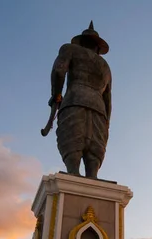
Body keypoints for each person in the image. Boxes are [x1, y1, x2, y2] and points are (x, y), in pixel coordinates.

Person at [48, 21, 112, 179]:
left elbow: (59, 70)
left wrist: (56, 94)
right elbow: (108, 100)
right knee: (95, 148)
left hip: (74, 100)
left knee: (72, 141)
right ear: (97, 47)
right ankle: (92, 176)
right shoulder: (105, 66)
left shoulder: (69, 50)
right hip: (99, 109)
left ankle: (73, 173)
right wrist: (107, 122)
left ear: (82, 42)